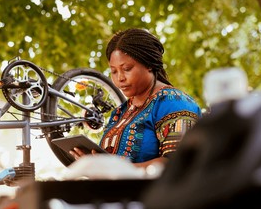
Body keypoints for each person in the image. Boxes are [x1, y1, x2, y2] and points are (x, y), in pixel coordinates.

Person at [69, 28, 202, 168]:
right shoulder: (120, 112)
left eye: (126, 69)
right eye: (113, 71)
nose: (120, 78)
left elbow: (181, 165)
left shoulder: (174, 103)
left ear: (149, 64)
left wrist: (115, 169)